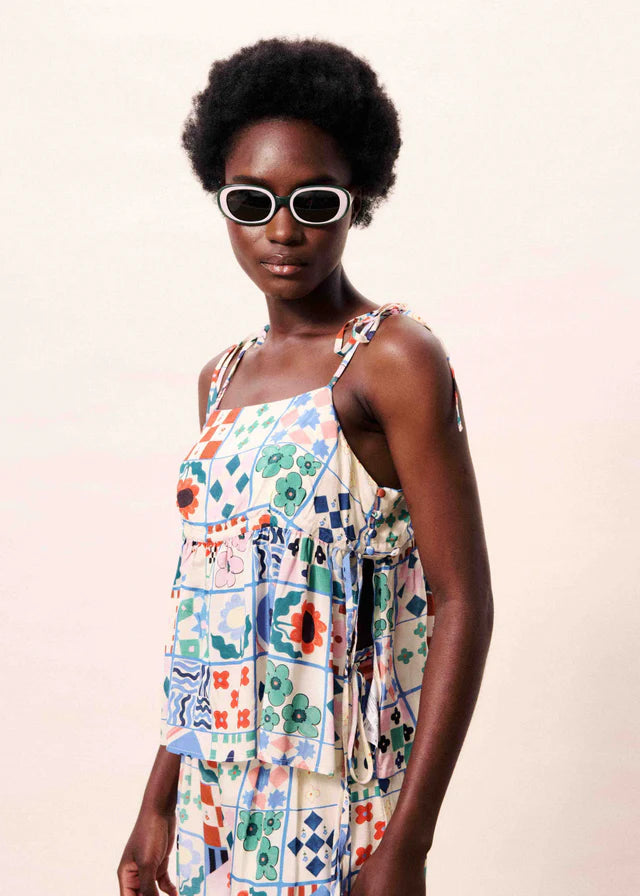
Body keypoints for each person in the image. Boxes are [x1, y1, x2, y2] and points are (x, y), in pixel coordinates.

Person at [118, 36, 493, 896]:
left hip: (340, 796)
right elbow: (210, 617)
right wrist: (158, 799)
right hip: (216, 794)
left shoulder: (393, 359)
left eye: (315, 201)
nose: (282, 231)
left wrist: (407, 845)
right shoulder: (220, 381)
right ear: (224, 205)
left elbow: (462, 599)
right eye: (252, 202)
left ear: (357, 201)